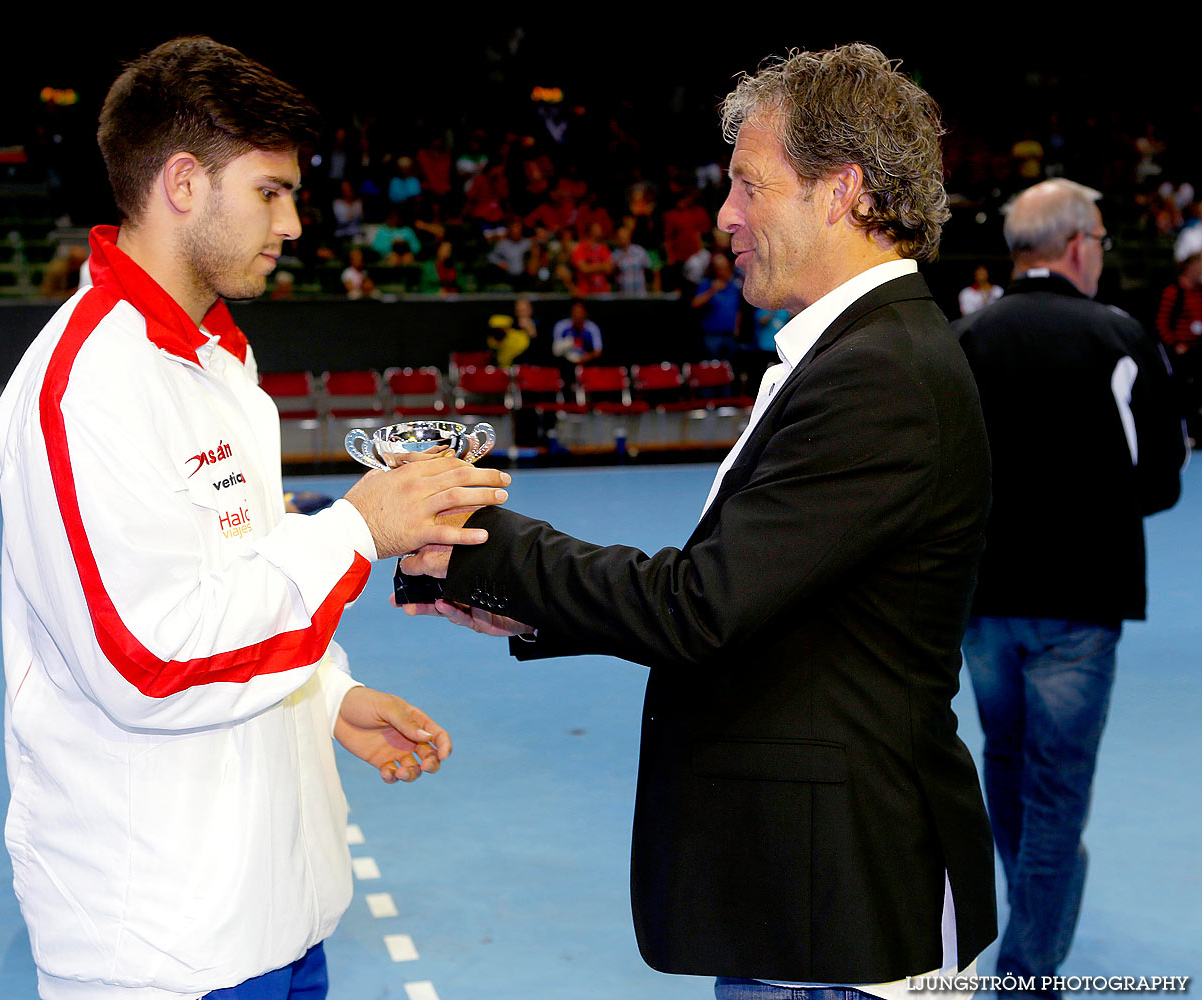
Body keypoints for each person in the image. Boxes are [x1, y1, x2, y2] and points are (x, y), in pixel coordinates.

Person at [397, 43, 998, 999]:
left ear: (840, 192)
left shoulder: (879, 372)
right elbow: (762, 610)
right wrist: (511, 598)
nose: (724, 217)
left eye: (747, 187)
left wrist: (479, 540)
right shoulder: (864, 354)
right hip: (808, 901)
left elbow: (700, 605)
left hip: (841, 919)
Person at [0, 37, 511, 1000]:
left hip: (274, 918)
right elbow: (144, 662)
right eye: (271, 191)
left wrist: (329, 699)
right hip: (159, 942)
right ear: (183, 183)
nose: (294, 222)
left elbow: (234, 574)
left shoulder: (224, 365)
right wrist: (358, 529)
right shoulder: (87, 384)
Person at [952, 178, 1186, 996]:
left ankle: (1031, 923)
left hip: (981, 600)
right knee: (1056, 790)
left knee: (1007, 765)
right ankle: (1026, 969)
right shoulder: (1117, 337)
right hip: (1079, 603)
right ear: (1080, 245)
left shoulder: (962, 337)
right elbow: (1159, 477)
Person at [1155, 248, 1202, 442]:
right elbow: (1161, 322)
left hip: (1198, 351)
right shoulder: (1174, 291)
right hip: (1179, 354)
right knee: (1183, 393)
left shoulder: (1199, 292)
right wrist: (1174, 344)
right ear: (1189, 268)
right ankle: (1184, 431)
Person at [691, 251, 748, 365]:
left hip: (730, 335)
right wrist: (712, 290)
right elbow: (695, 304)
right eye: (720, 267)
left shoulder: (733, 285)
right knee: (712, 367)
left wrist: (737, 327)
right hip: (713, 335)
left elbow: (737, 309)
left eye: (725, 267)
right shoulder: (707, 284)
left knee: (730, 368)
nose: (723, 270)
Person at [549, 298, 603, 380]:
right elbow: (556, 350)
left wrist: (583, 359)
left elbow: (597, 351)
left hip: (586, 362)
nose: (578, 315)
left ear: (585, 313)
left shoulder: (592, 328)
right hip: (565, 363)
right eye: (575, 312)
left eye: (580, 312)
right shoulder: (561, 326)